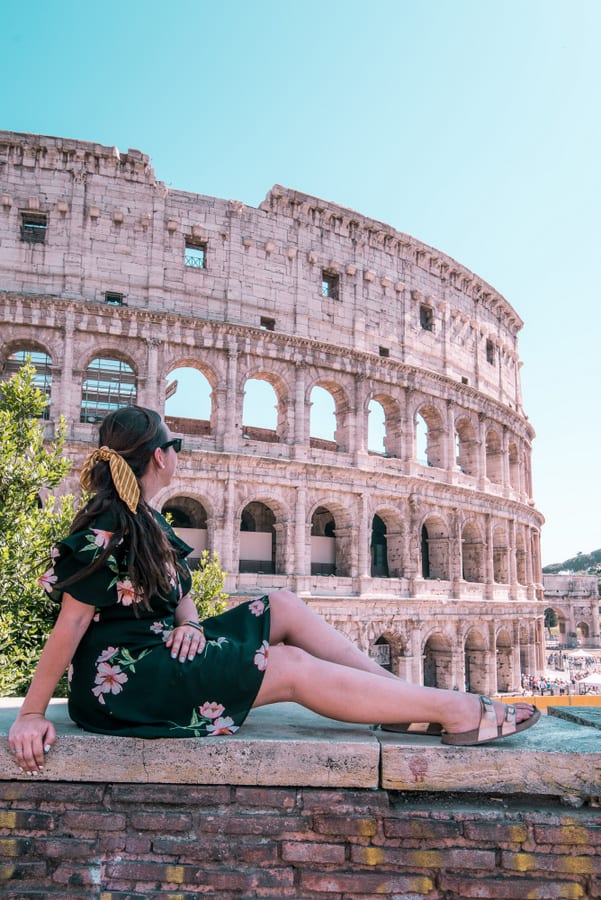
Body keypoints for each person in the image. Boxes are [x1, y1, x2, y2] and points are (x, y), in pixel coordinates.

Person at [8, 405, 540, 775]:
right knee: (283, 664)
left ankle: (397, 702)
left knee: (282, 604)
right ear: (158, 458)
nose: (179, 453)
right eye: (175, 445)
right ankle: (455, 711)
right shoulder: (105, 528)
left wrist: (190, 624)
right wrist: (32, 713)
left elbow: (181, 592)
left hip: (160, 653)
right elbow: (71, 626)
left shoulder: (149, 519)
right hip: (123, 685)